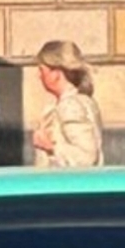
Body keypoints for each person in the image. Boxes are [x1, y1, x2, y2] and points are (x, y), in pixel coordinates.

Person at [31, 38, 105, 170]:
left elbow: (87, 157)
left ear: (56, 74)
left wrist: (50, 147)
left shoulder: (70, 106)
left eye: (42, 70)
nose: (39, 75)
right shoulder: (82, 101)